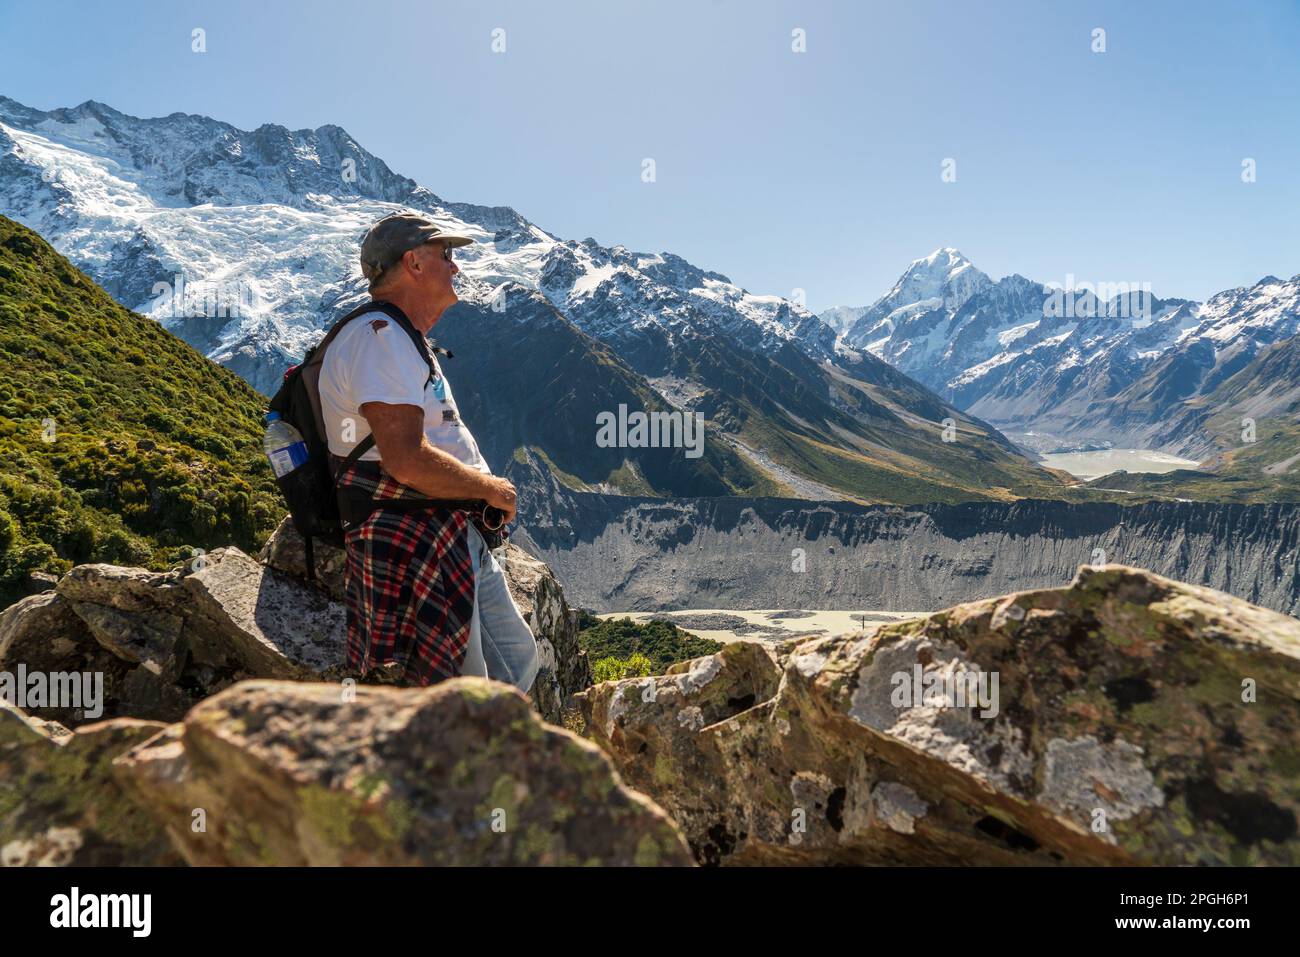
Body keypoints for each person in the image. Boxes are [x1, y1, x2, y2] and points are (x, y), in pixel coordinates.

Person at [317, 212, 539, 692]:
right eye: (446, 256)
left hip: (448, 531)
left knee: (515, 664)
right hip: (417, 536)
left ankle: (489, 758)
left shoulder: (399, 337)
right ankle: (458, 764)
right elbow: (405, 458)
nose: (455, 268)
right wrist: (492, 489)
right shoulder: (379, 338)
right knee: (462, 689)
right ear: (414, 262)